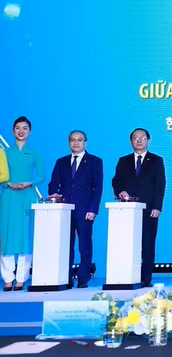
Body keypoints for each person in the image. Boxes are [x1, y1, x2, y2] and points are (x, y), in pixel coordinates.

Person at [47, 130, 103, 288]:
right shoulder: (61, 161)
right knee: (65, 245)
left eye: (79, 140)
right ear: (69, 142)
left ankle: (84, 277)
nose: (76, 143)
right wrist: (54, 195)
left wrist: (93, 209)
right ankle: (66, 277)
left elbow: (97, 187)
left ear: (85, 142)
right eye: (73, 140)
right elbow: (53, 183)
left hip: (85, 210)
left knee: (84, 245)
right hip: (63, 210)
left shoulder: (95, 161)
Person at [111, 128, 166, 288]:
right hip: (127, 211)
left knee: (148, 244)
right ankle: (127, 275)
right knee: (127, 244)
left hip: (149, 209)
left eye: (142, 138)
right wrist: (120, 191)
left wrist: (157, 207)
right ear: (131, 141)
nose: (139, 140)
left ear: (148, 140)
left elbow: (160, 185)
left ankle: (146, 278)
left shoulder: (156, 160)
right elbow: (116, 181)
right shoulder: (123, 160)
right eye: (135, 138)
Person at [0, 117, 44, 291]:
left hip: (27, 196)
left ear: (30, 131)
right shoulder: (5, 152)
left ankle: (21, 278)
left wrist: (29, 183)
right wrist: (6, 184)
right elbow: (1, 175)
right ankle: (8, 278)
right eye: (17, 128)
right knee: (7, 237)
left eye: (25, 128)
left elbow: (41, 176)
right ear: (12, 131)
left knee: (26, 237)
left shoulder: (35, 152)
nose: (21, 131)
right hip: (8, 196)